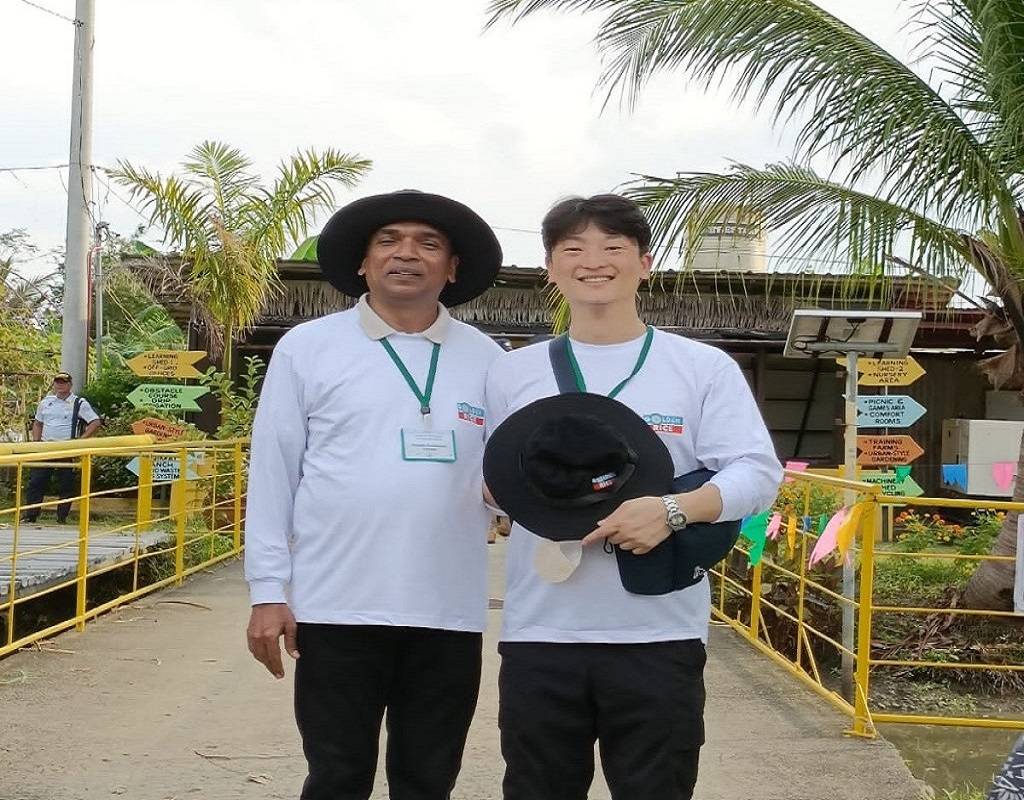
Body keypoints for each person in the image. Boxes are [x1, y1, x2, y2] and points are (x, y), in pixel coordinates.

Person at [483, 194, 783, 800]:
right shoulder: (513, 372)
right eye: (573, 249)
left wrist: (671, 510)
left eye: (613, 248)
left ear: (645, 264)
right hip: (542, 632)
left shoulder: (702, 367)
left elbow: (756, 473)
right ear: (551, 267)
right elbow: (489, 485)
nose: (594, 262)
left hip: (659, 635)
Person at [244, 190, 504, 800]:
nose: (406, 254)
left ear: (453, 267)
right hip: (336, 606)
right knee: (336, 776)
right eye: (388, 240)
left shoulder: (489, 360)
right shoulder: (308, 347)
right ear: (363, 262)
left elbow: (506, 478)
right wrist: (266, 592)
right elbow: (274, 475)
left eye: (428, 243)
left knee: (428, 779)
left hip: (448, 610)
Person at [23, 371, 101, 524]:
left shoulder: (78, 403)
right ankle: (30, 515)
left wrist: (80, 441)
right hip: (45, 447)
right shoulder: (46, 402)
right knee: (36, 481)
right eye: (57, 382)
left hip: (67, 448)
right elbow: (38, 423)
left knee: (66, 484)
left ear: (70, 385)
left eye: (63, 382)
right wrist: (36, 441)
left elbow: (95, 422)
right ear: (54, 384)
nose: (60, 385)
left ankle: (61, 517)